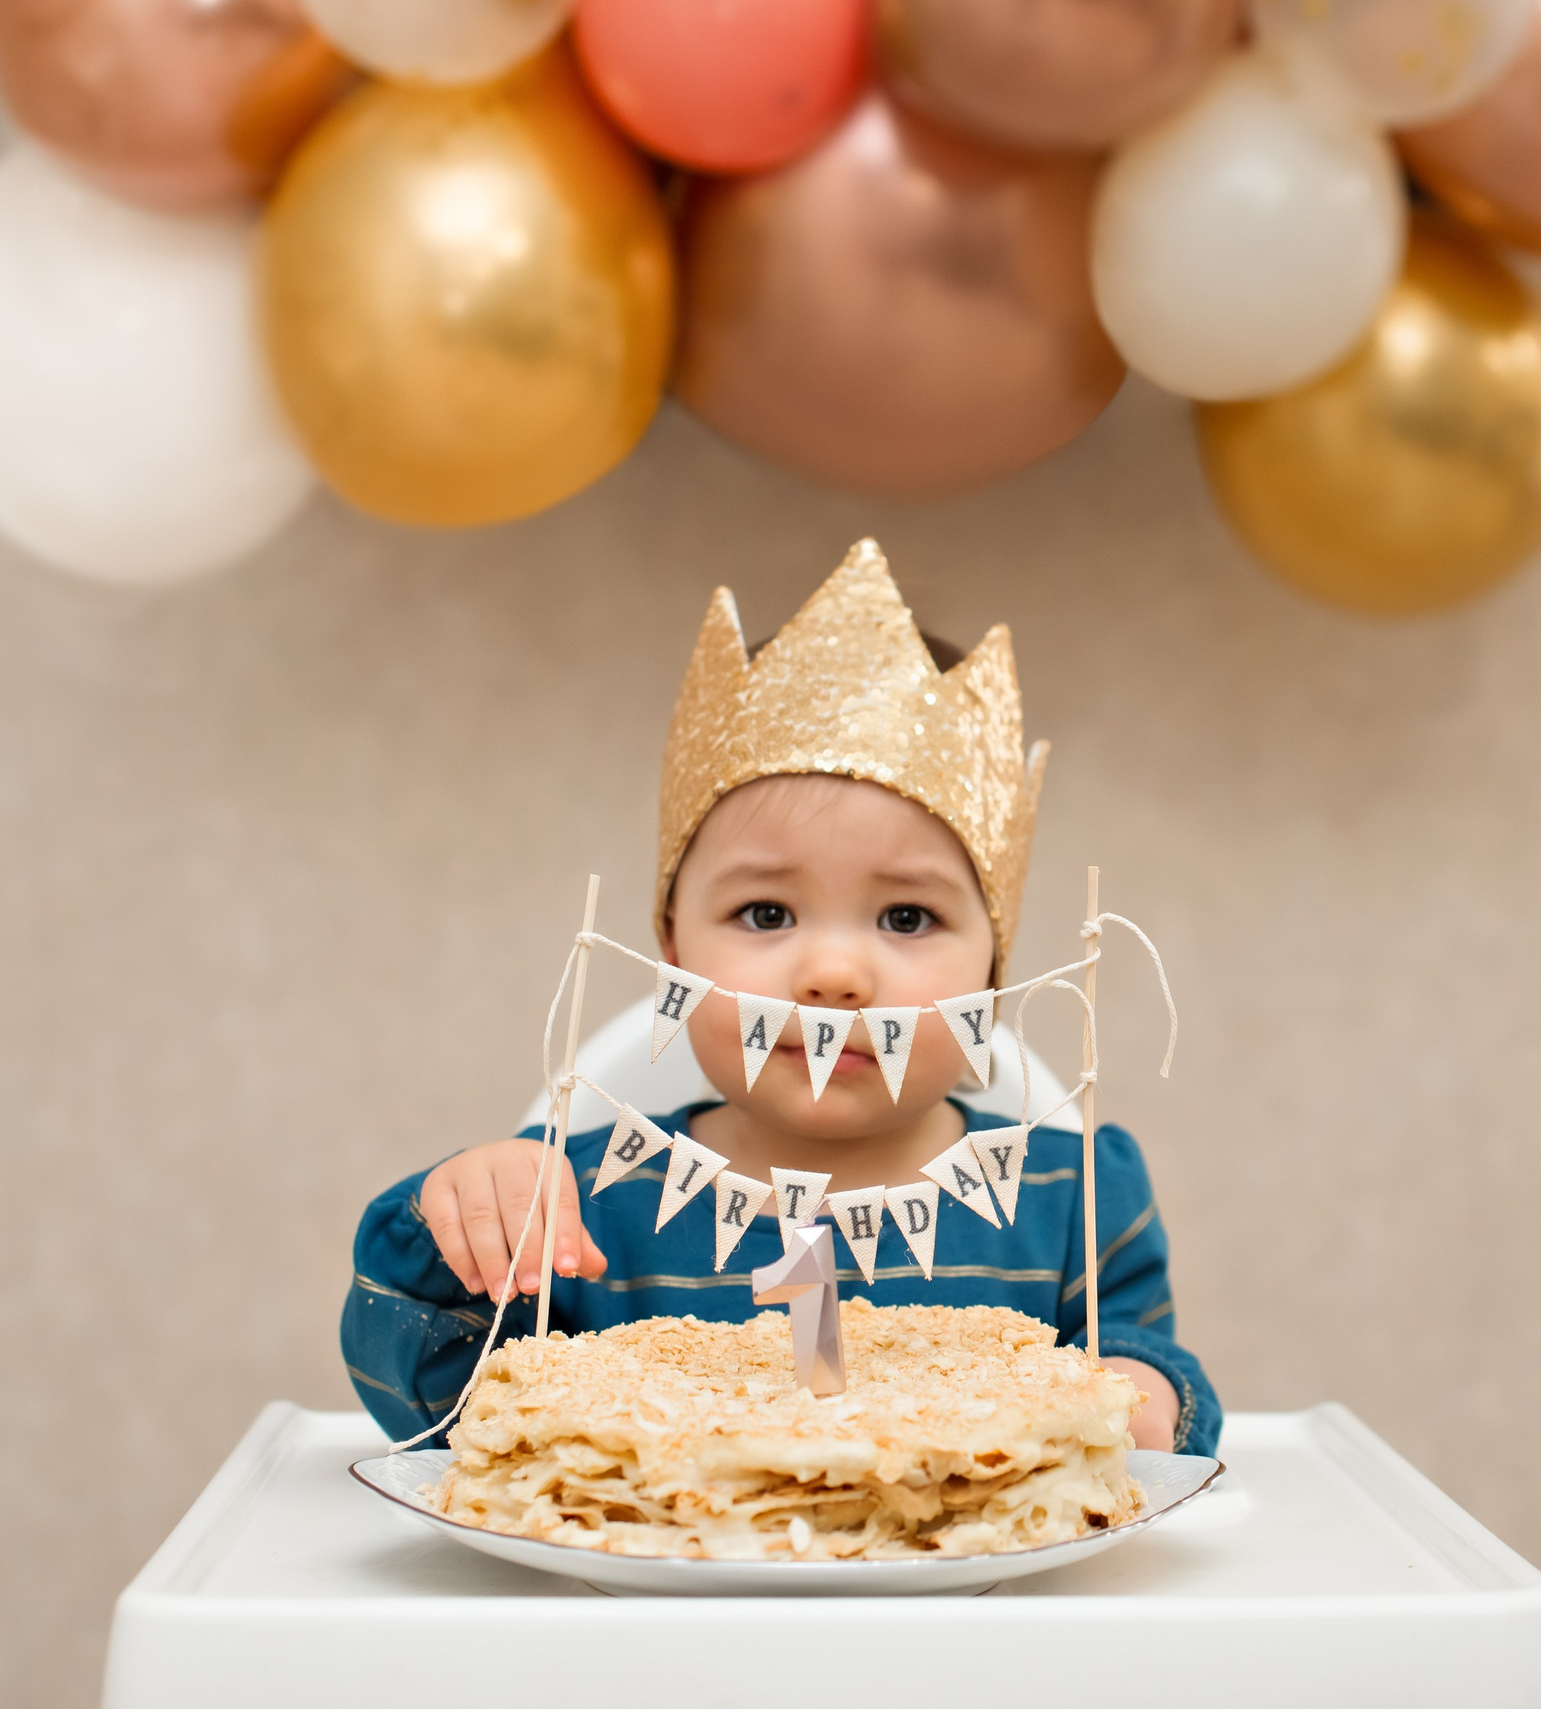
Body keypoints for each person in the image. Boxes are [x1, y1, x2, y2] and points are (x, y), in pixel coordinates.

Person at [344, 541, 1220, 1455]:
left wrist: (1141, 1394)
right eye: (766, 912)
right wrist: (451, 1234)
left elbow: (1149, 1384)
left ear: (993, 980)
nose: (833, 973)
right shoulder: (579, 1203)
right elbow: (445, 1416)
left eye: (908, 916)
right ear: (673, 954)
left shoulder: (1076, 1198)